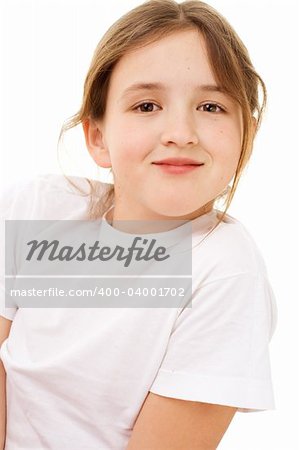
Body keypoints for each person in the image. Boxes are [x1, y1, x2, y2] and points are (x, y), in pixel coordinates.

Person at [0, 0, 278, 448]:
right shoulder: (38, 209)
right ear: (97, 137)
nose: (181, 131)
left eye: (211, 107)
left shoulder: (224, 271)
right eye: (147, 105)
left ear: (245, 132)